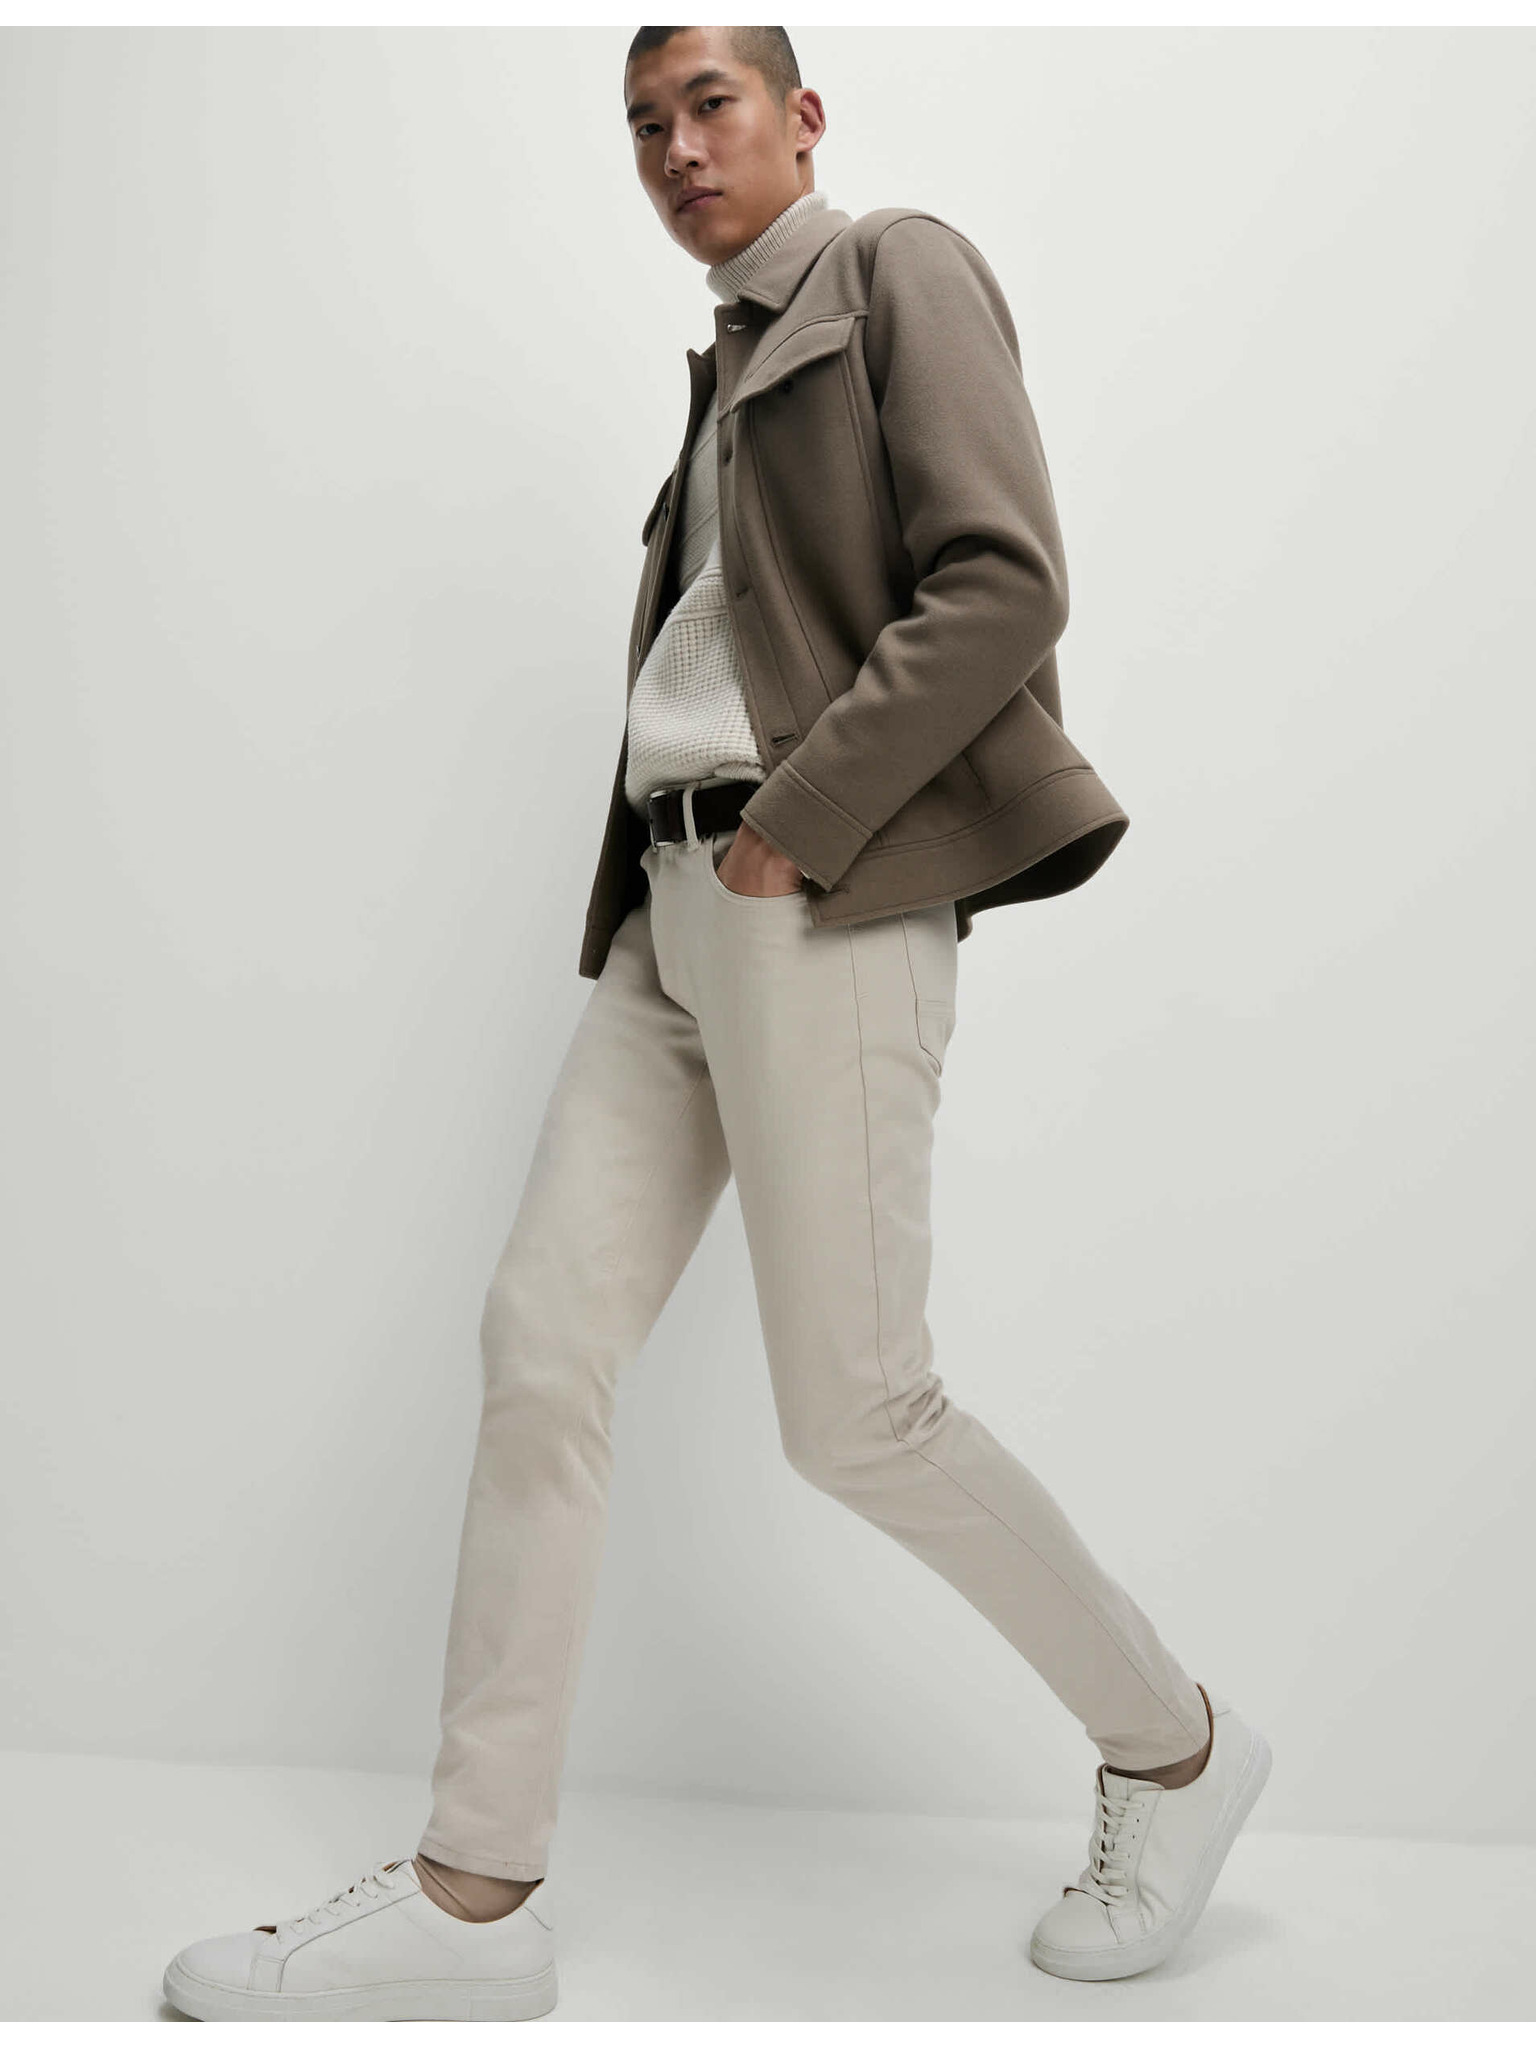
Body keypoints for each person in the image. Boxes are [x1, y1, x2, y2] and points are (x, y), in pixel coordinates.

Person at [161, 25, 1270, 2024]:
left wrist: (794, 829)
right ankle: (476, 1897)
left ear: (802, 116)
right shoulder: (725, 372)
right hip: (668, 921)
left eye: (711, 105)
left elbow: (1004, 585)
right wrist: (674, 888)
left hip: (812, 893)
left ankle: (1177, 1748)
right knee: (542, 1342)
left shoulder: (896, 269)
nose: (676, 147)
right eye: (643, 124)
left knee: (858, 1416)